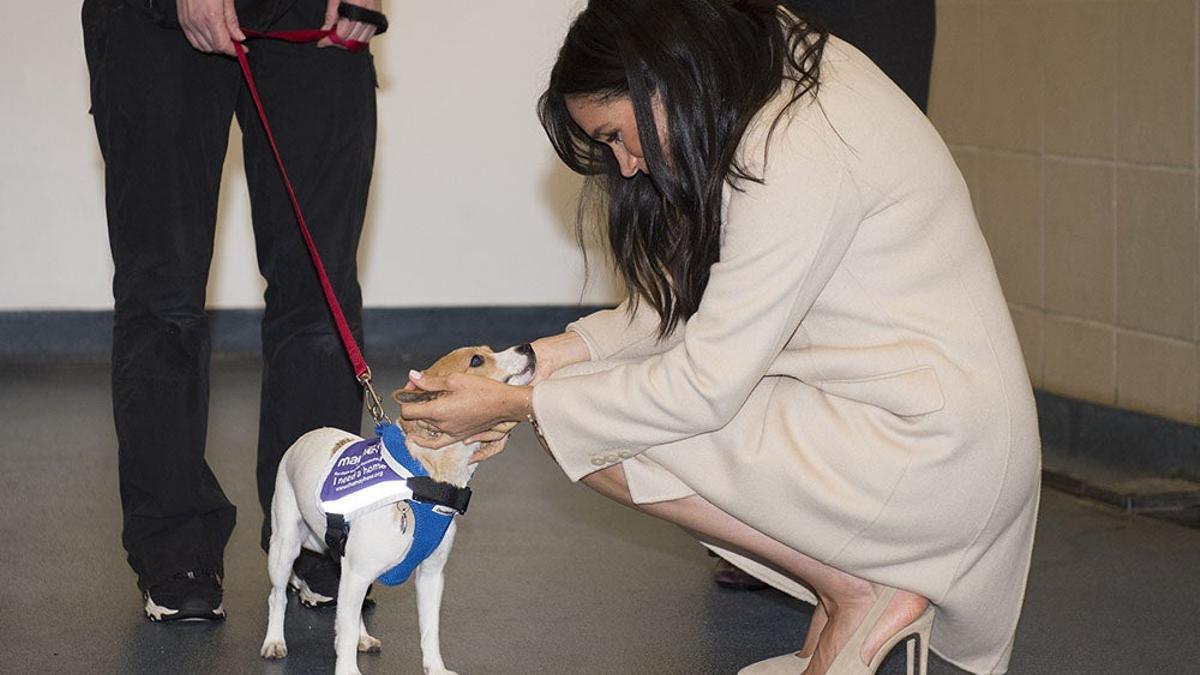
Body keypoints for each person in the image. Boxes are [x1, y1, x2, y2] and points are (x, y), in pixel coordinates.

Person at [400, 1, 1040, 674]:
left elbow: (701, 386)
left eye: (617, 135)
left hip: (933, 456)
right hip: (907, 421)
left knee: (588, 422)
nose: (623, 167)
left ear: (658, 81)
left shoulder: (796, 143)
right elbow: (691, 305)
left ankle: (861, 590)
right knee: (580, 404)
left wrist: (520, 404)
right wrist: (527, 365)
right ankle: (845, 589)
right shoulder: (775, 85)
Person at [82, 0, 382, 621]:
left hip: (314, 15)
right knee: (162, 292)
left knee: (318, 287)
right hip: (154, 20)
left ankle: (317, 527)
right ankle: (175, 548)